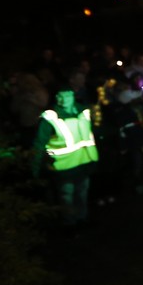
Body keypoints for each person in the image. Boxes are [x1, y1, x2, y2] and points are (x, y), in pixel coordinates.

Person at [31, 88, 100, 230]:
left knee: (81, 194)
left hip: (83, 163)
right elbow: (39, 144)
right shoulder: (50, 118)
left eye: (67, 95)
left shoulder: (83, 112)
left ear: (73, 96)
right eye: (60, 96)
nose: (64, 100)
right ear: (56, 98)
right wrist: (35, 168)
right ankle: (70, 224)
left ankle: (81, 219)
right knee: (66, 198)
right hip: (64, 168)